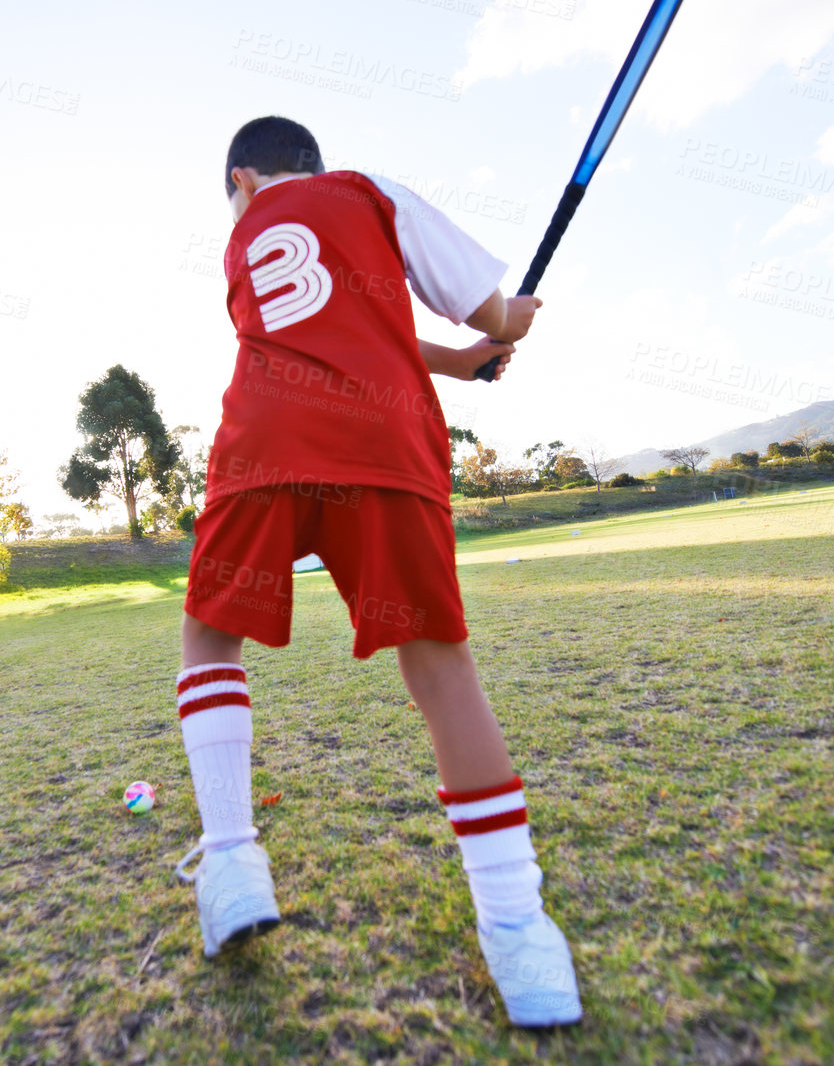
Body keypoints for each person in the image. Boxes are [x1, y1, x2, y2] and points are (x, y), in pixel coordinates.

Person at [171, 116, 582, 1027]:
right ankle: (520, 934)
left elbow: (339, 326)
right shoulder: (365, 191)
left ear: (243, 181)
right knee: (439, 663)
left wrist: (458, 363)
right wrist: (505, 326)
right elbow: (479, 307)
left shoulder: (244, 241)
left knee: (209, 636)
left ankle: (233, 859)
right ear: (311, 163)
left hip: (268, 438)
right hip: (381, 441)